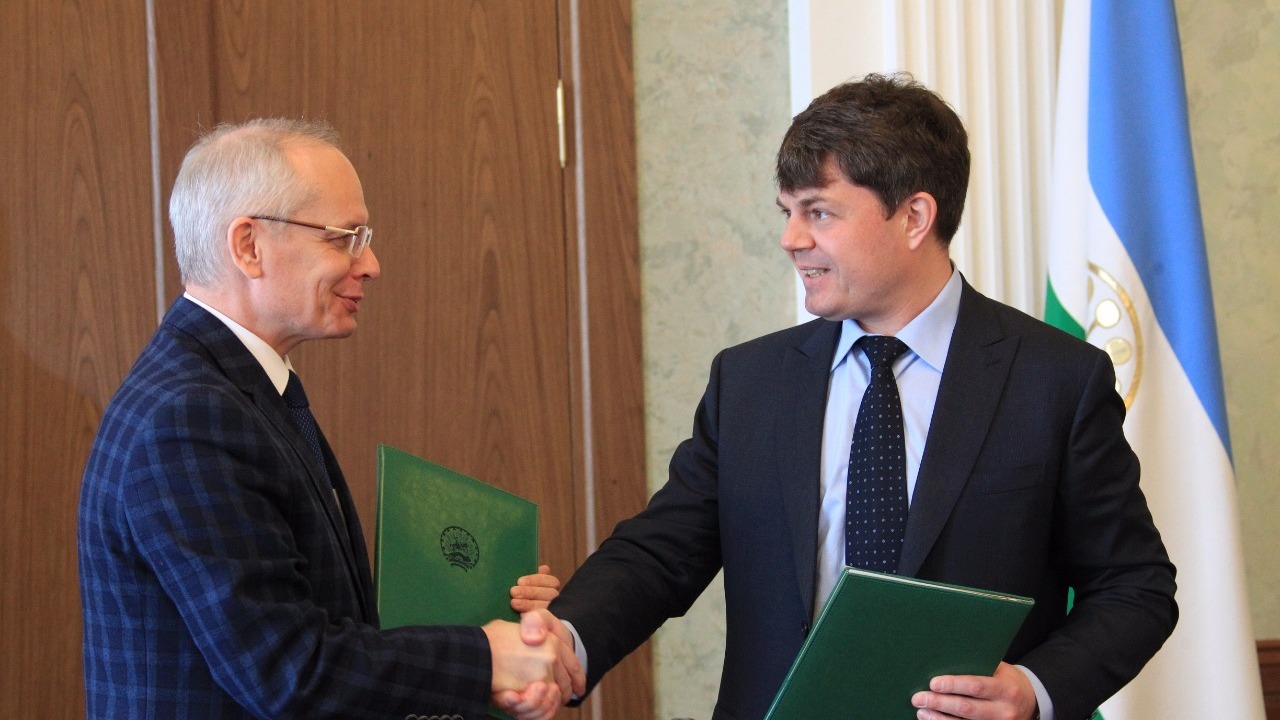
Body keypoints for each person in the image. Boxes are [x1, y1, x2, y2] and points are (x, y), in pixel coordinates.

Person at [548, 73, 1177, 720]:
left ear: (914, 218)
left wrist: (1033, 688)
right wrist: (564, 641)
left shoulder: (1056, 380)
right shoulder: (749, 382)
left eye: (819, 212)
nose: (792, 239)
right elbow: (659, 555)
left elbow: (1135, 586)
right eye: (787, 212)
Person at [78, 118, 584, 720]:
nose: (370, 264)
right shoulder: (189, 417)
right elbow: (289, 671)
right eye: (344, 237)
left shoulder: (235, 389)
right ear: (248, 246)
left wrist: (485, 601)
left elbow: (317, 613)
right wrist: (486, 657)